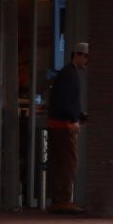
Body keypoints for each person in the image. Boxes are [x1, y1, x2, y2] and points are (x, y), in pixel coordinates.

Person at [45, 41, 89, 213]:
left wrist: (79, 115)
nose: (87, 62)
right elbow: (65, 102)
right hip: (64, 126)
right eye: (86, 57)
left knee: (59, 162)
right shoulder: (70, 74)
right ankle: (63, 199)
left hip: (58, 124)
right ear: (78, 55)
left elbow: (64, 101)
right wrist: (74, 119)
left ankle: (58, 199)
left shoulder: (66, 73)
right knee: (69, 162)